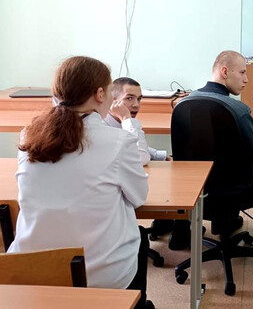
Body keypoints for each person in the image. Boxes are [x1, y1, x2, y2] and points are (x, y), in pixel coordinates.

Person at [8, 56, 151, 308]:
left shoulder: (28, 135)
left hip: (30, 269)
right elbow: (139, 197)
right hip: (99, 277)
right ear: (100, 94)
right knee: (138, 238)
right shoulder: (119, 142)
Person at [168, 50, 253, 251]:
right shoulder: (238, 110)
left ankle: (181, 232)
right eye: (242, 73)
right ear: (225, 71)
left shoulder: (182, 104)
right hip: (236, 190)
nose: (246, 80)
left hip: (195, 189)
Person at [104, 77, 169, 166]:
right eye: (129, 98)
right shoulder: (103, 128)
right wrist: (126, 118)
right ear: (112, 101)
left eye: (138, 99)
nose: (136, 105)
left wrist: (158, 155)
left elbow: (129, 145)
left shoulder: (117, 123)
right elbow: (141, 158)